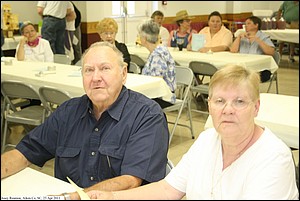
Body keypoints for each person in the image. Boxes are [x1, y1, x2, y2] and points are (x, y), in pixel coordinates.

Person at [85, 64, 299, 200]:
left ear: (256, 107)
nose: (227, 110)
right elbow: (168, 190)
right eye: (220, 101)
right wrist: (111, 197)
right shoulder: (207, 140)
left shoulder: (273, 157)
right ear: (209, 106)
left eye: (240, 101)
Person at [1, 41, 169, 200]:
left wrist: (75, 197)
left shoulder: (147, 116)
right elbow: (25, 151)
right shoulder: (68, 112)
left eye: (105, 68)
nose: (96, 77)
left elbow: (131, 180)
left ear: (123, 73)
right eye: (89, 70)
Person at [138, 19, 176, 109]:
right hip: (156, 93)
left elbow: (157, 81)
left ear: (144, 38)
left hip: (163, 96)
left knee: (133, 103)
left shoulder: (158, 55)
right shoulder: (156, 51)